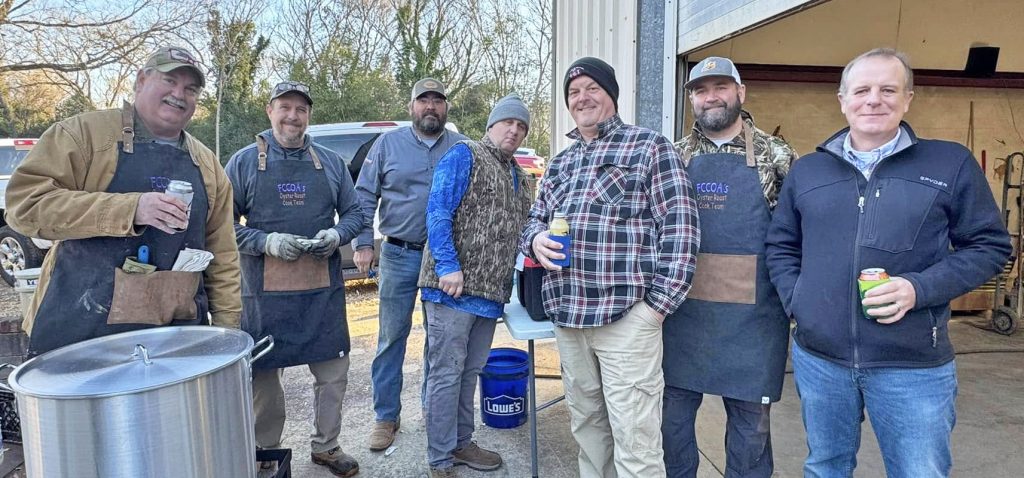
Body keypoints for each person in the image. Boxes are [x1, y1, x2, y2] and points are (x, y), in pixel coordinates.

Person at [765, 48, 1011, 478]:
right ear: (842, 100)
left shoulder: (949, 163)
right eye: (861, 90)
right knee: (825, 468)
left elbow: (989, 246)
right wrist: (799, 302)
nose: (873, 100)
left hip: (911, 366)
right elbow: (781, 245)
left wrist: (919, 289)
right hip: (821, 360)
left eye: (888, 89)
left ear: (908, 98)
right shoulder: (809, 171)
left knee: (919, 472)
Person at [520, 57, 700, 477]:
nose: (582, 98)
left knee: (636, 441)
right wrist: (535, 238)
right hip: (568, 320)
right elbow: (533, 219)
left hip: (626, 321)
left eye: (591, 88)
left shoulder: (649, 147)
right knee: (588, 430)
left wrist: (655, 309)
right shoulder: (560, 163)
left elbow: (682, 229)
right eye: (573, 92)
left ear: (612, 96)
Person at [5, 46, 241, 356]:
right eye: (170, 81)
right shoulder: (82, 135)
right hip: (79, 335)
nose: (179, 94)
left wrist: (228, 334)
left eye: (191, 88)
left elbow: (223, 256)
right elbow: (24, 206)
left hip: (176, 342)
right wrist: (131, 209)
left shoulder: (208, 165)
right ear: (141, 80)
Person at [662, 56, 798, 478]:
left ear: (741, 92)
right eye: (701, 90)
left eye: (720, 87)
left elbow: (800, 234)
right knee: (670, 426)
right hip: (682, 317)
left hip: (753, 322)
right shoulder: (673, 156)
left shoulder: (778, 155)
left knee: (750, 435)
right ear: (691, 100)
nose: (711, 97)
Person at [225, 81, 363, 477]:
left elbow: (354, 214)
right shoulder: (243, 163)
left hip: (321, 293)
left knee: (333, 375)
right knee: (264, 381)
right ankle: (266, 451)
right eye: (284, 107)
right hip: (264, 295)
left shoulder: (331, 163)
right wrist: (265, 241)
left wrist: (336, 235)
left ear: (309, 116)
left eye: (301, 109)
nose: (293, 116)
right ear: (270, 111)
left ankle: (327, 446)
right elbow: (222, 225)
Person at [418, 94, 534, 478]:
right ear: (491, 125)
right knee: (446, 374)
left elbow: (524, 232)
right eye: (508, 122)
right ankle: (440, 459)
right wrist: (448, 265)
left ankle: (461, 442)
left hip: (489, 296)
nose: (514, 130)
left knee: (469, 373)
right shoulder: (465, 154)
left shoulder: (520, 177)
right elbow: (438, 210)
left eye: (521, 126)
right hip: (451, 290)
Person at [354, 78, 468, 451]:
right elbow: (364, 195)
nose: (430, 106)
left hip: (444, 261)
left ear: (446, 107)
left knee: (440, 341)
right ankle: (386, 417)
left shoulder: (462, 147)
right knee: (391, 338)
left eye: (437, 100)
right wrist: (363, 243)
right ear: (411, 107)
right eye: (423, 100)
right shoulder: (387, 144)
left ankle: (433, 413)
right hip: (399, 254)